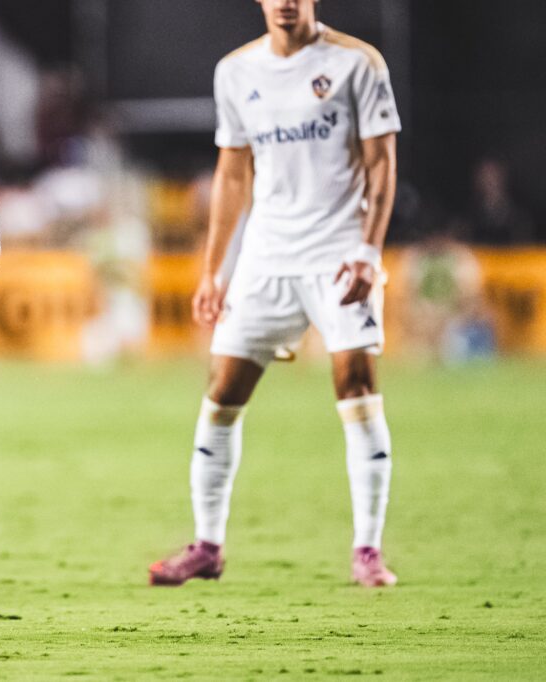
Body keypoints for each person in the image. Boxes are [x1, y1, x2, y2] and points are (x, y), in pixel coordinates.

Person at [149, 0, 400, 587]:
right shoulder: (236, 71)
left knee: (356, 384)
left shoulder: (358, 63)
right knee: (222, 391)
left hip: (339, 253)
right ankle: (207, 545)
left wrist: (369, 251)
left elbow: (382, 163)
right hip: (266, 258)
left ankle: (367, 550)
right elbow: (233, 173)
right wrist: (213, 270)